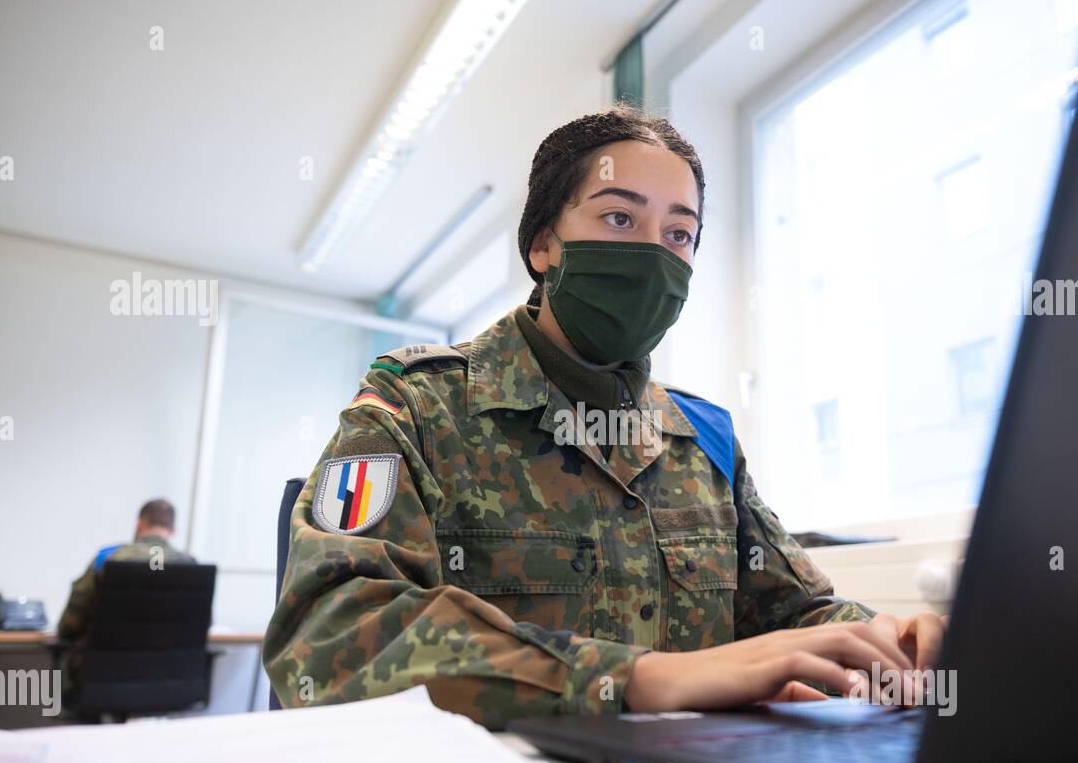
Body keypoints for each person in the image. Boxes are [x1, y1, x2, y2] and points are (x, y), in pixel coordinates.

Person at [266, 104, 946, 729]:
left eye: (680, 233)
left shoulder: (703, 437)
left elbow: (798, 616)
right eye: (620, 219)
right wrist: (635, 679)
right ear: (544, 247)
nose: (654, 251)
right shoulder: (411, 405)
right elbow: (328, 636)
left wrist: (903, 645)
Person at [57, 498, 196, 686]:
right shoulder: (191, 566)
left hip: (103, 680)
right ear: (173, 531)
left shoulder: (109, 559)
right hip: (169, 683)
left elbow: (70, 625)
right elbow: (200, 625)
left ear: (139, 524)